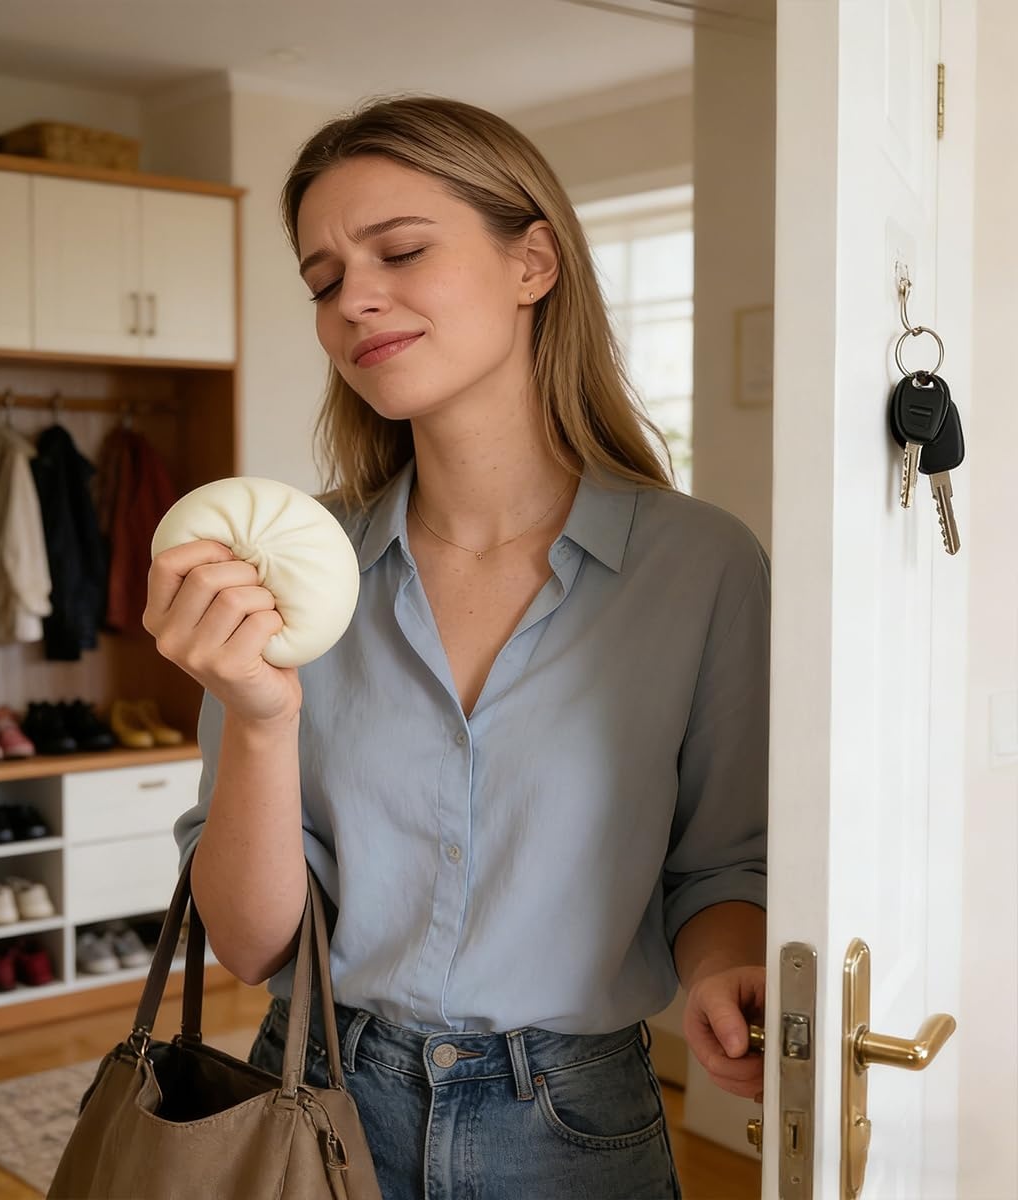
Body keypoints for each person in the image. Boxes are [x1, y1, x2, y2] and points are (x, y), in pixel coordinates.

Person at [146, 95, 769, 1200]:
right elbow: (250, 948)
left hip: (577, 1125)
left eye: (399, 252)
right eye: (325, 278)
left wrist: (725, 966)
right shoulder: (287, 574)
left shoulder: (701, 565)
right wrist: (259, 712)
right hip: (317, 1101)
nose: (354, 301)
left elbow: (720, 865)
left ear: (534, 262)